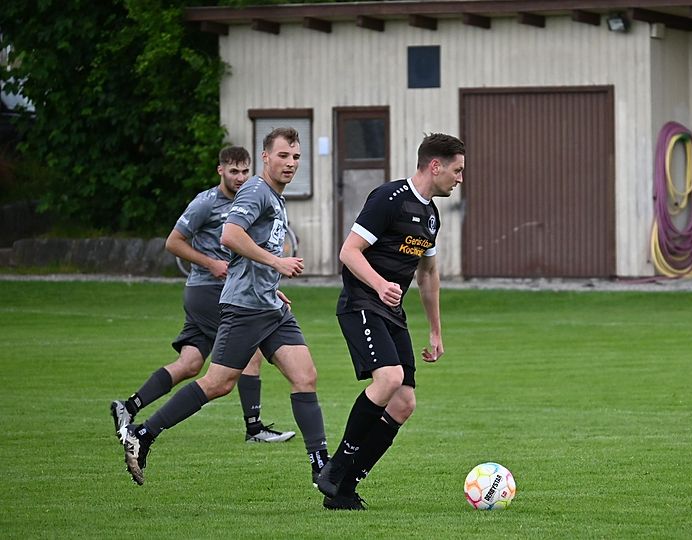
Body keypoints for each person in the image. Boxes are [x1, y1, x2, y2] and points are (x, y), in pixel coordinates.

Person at [118, 127, 330, 489]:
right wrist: (277, 263)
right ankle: (143, 433)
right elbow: (230, 235)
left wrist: (271, 285)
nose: (291, 163)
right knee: (218, 383)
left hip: (269, 306)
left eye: (296, 157)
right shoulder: (256, 190)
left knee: (305, 376)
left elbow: (251, 251)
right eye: (283, 156)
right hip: (245, 308)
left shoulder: (276, 197)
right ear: (265, 157)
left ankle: (321, 469)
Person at [314, 133, 464, 511]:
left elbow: (428, 274)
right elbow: (349, 251)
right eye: (457, 170)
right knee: (389, 378)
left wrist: (435, 331)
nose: (460, 178)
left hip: (391, 311)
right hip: (361, 302)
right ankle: (336, 466)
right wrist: (380, 285)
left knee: (404, 403)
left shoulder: (431, 216)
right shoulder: (389, 198)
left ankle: (344, 489)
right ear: (435, 166)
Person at [110, 146, 295, 445]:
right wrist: (210, 263)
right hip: (209, 290)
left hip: (224, 290)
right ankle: (254, 428)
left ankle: (128, 406)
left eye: (244, 171)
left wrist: (269, 286)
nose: (240, 177)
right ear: (220, 170)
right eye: (233, 171)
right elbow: (173, 242)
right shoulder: (206, 202)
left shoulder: (252, 199)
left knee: (190, 363)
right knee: (251, 352)